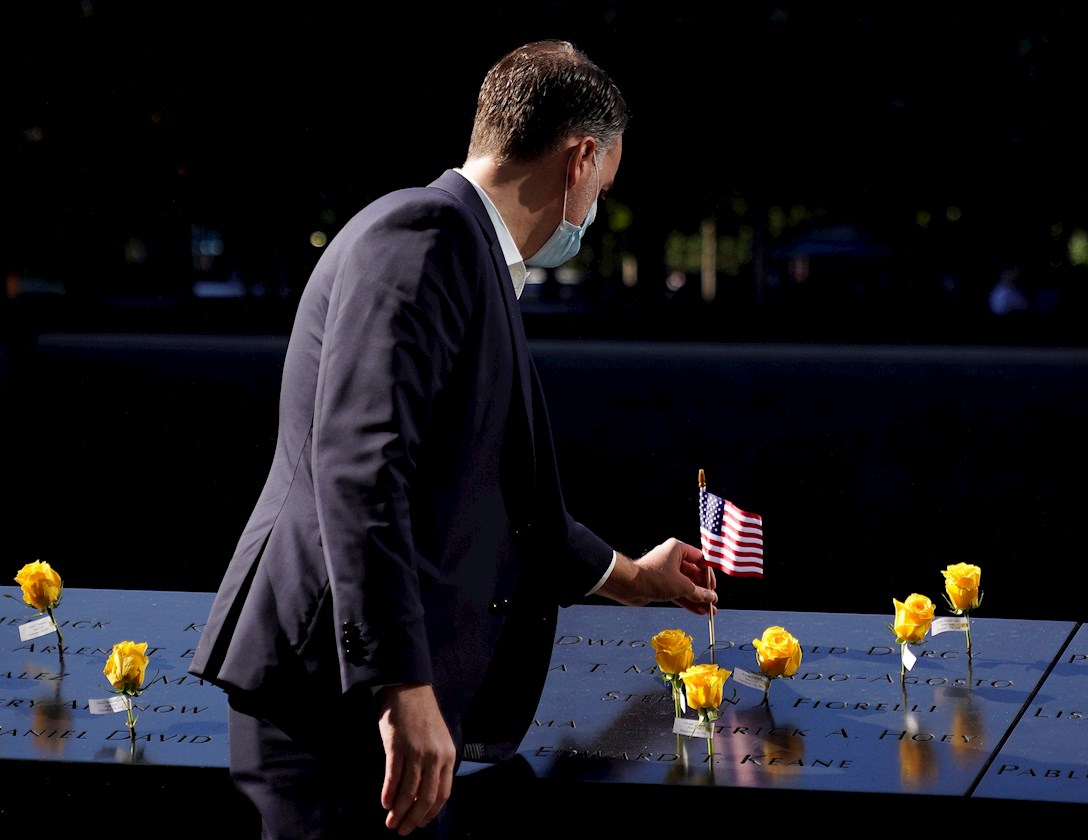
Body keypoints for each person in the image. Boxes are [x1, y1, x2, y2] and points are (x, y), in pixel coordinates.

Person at [189, 40, 718, 839]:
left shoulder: (458, 248)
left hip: (361, 704)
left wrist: (633, 577)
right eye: (604, 187)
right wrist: (400, 685)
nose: (596, 212)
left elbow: (499, 498)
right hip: (334, 704)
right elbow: (361, 471)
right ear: (580, 160)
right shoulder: (425, 237)